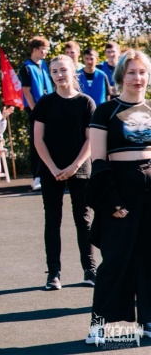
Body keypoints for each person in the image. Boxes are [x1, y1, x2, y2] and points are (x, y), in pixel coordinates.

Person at [85, 49, 151, 344]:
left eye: (143, 72)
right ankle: (99, 326)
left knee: (149, 259)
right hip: (119, 192)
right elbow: (98, 161)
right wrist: (110, 199)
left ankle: (148, 320)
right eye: (132, 72)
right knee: (115, 260)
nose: (138, 78)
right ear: (122, 75)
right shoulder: (105, 111)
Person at [32, 54, 97, 291]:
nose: (59, 75)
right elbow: (38, 139)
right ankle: (53, 274)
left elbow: (91, 139)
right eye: (54, 71)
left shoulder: (86, 103)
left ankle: (90, 271)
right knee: (53, 221)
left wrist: (74, 166)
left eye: (63, 70)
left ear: (73, 71)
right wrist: (52, 167)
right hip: (51, 170)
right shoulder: (45, 103)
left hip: (80, 169)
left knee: (84, 220)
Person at [19, 36, 53, 191]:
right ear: (35, 50)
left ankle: (50, 172)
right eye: (43, 50)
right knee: (37, 142)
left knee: (50, 141)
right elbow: (26, 92)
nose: (45, 52)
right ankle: (37, 176)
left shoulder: (44, 65)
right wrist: (35, 111)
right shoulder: (26, 67)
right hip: (36, 110)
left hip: (49, 108)